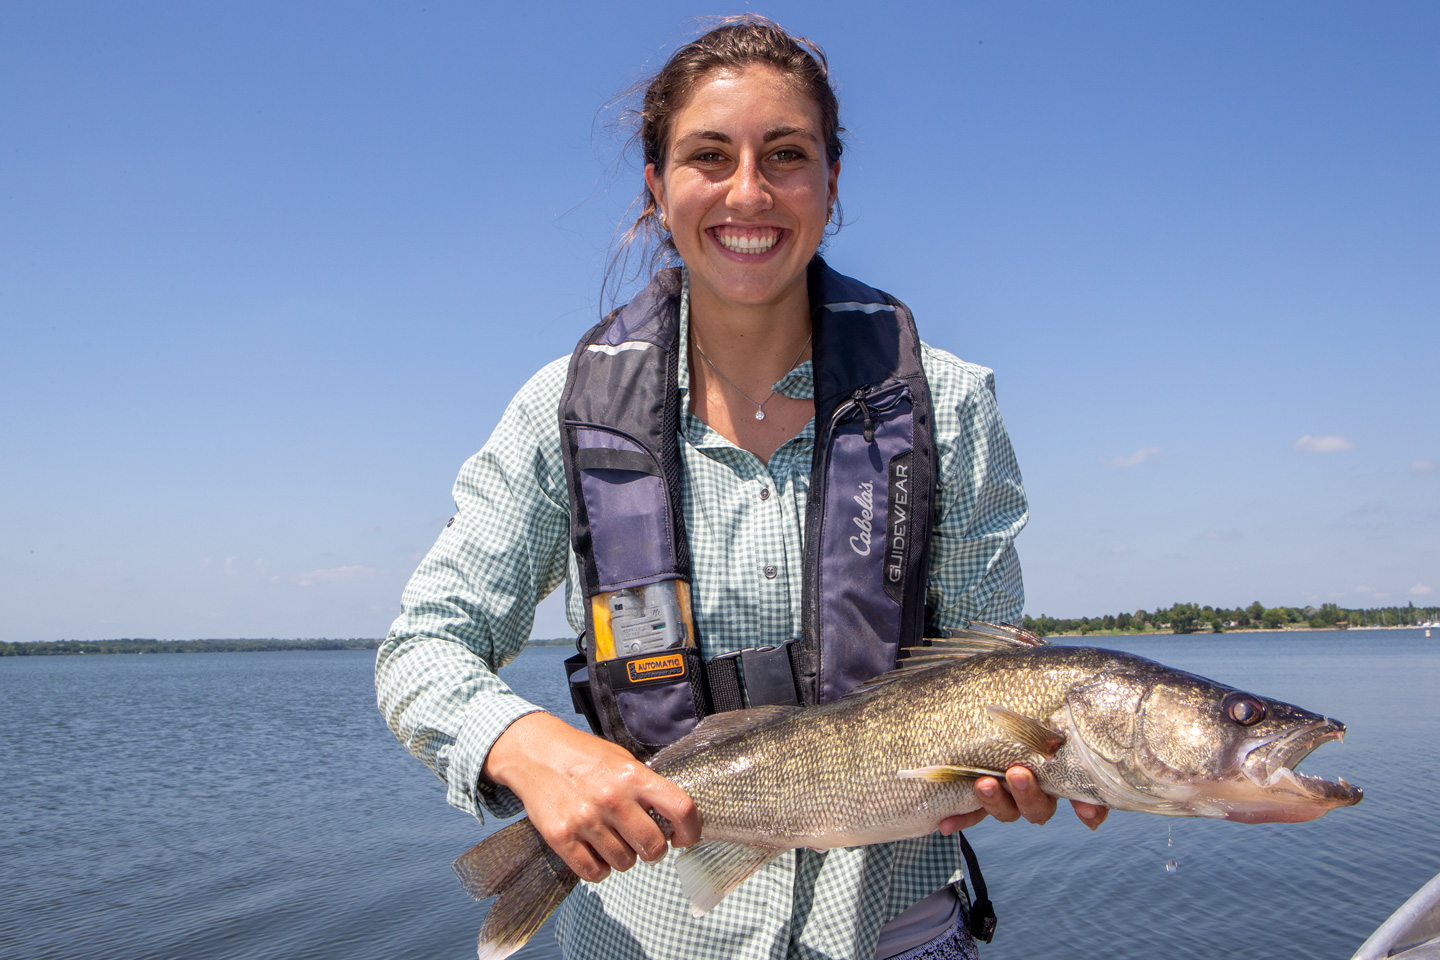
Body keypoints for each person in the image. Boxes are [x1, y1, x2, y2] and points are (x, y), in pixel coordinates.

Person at [376, 15, 1106, 960]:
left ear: (833, 183)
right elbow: (425, 645)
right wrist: (529, 747)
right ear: (657, 186)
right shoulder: (559, 411)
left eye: (788, 155)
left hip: (894, 935)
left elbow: (983, 661)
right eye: (709, 156)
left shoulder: (951, 404)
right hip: (642, 932)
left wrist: (1025, 764)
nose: (749, 193)